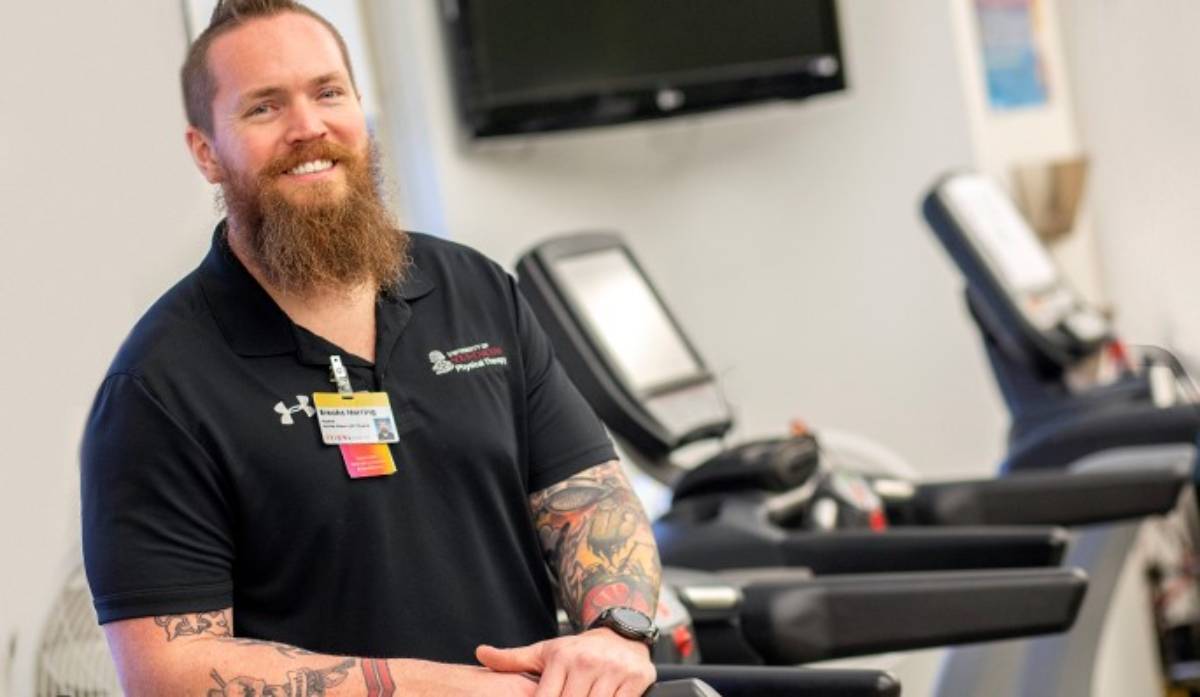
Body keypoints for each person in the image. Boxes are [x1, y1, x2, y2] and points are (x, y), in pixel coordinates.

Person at [80, 1, 662, 695]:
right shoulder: (160, 386)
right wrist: (465, 689)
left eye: (328, 92)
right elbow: (167, 673)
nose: (309, 128)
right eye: (264, 108)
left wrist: (615, 632)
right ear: (206, 151)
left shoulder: (474, 289)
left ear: (361, 107)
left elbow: (589, 495)